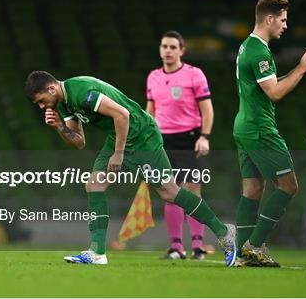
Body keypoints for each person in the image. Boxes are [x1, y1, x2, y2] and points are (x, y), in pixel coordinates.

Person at [24, 71, 237, 266]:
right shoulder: (62, 104)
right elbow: (79, 142)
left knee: (169, 192)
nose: (43, 107)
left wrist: (118, 153)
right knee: (94, 184)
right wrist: (60, 127)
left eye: (41, 101)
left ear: (51, 88)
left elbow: (122, 115)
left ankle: (224, 233)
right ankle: (97, 252)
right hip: (118, 136)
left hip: (141, 135)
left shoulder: (82, 92)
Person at [233, 0, 306, 267]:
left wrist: (292, 73)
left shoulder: (247, 46)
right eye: (282, 20)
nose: (285, 25)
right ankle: (255, 246)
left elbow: (266, 84)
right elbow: (274, 92)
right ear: (269, 19)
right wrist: (302, 68)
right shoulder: (259, 51)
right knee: (288, 185)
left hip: (243, 126)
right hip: (260, 129)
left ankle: (239, 254)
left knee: (252, 190)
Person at [146, 31, 213, 260]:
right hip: (163, 140)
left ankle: (198, 245)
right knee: (169, 192)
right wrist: (147, 139)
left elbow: (207, 109)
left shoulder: (195, 75)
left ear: (182, 50)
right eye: (164, 46)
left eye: (173, 47)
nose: (168, 50)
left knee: (192, 190)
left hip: (189, 138)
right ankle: (176, 247)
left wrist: (204, 136)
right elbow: (150, 111)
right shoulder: (153, 77)